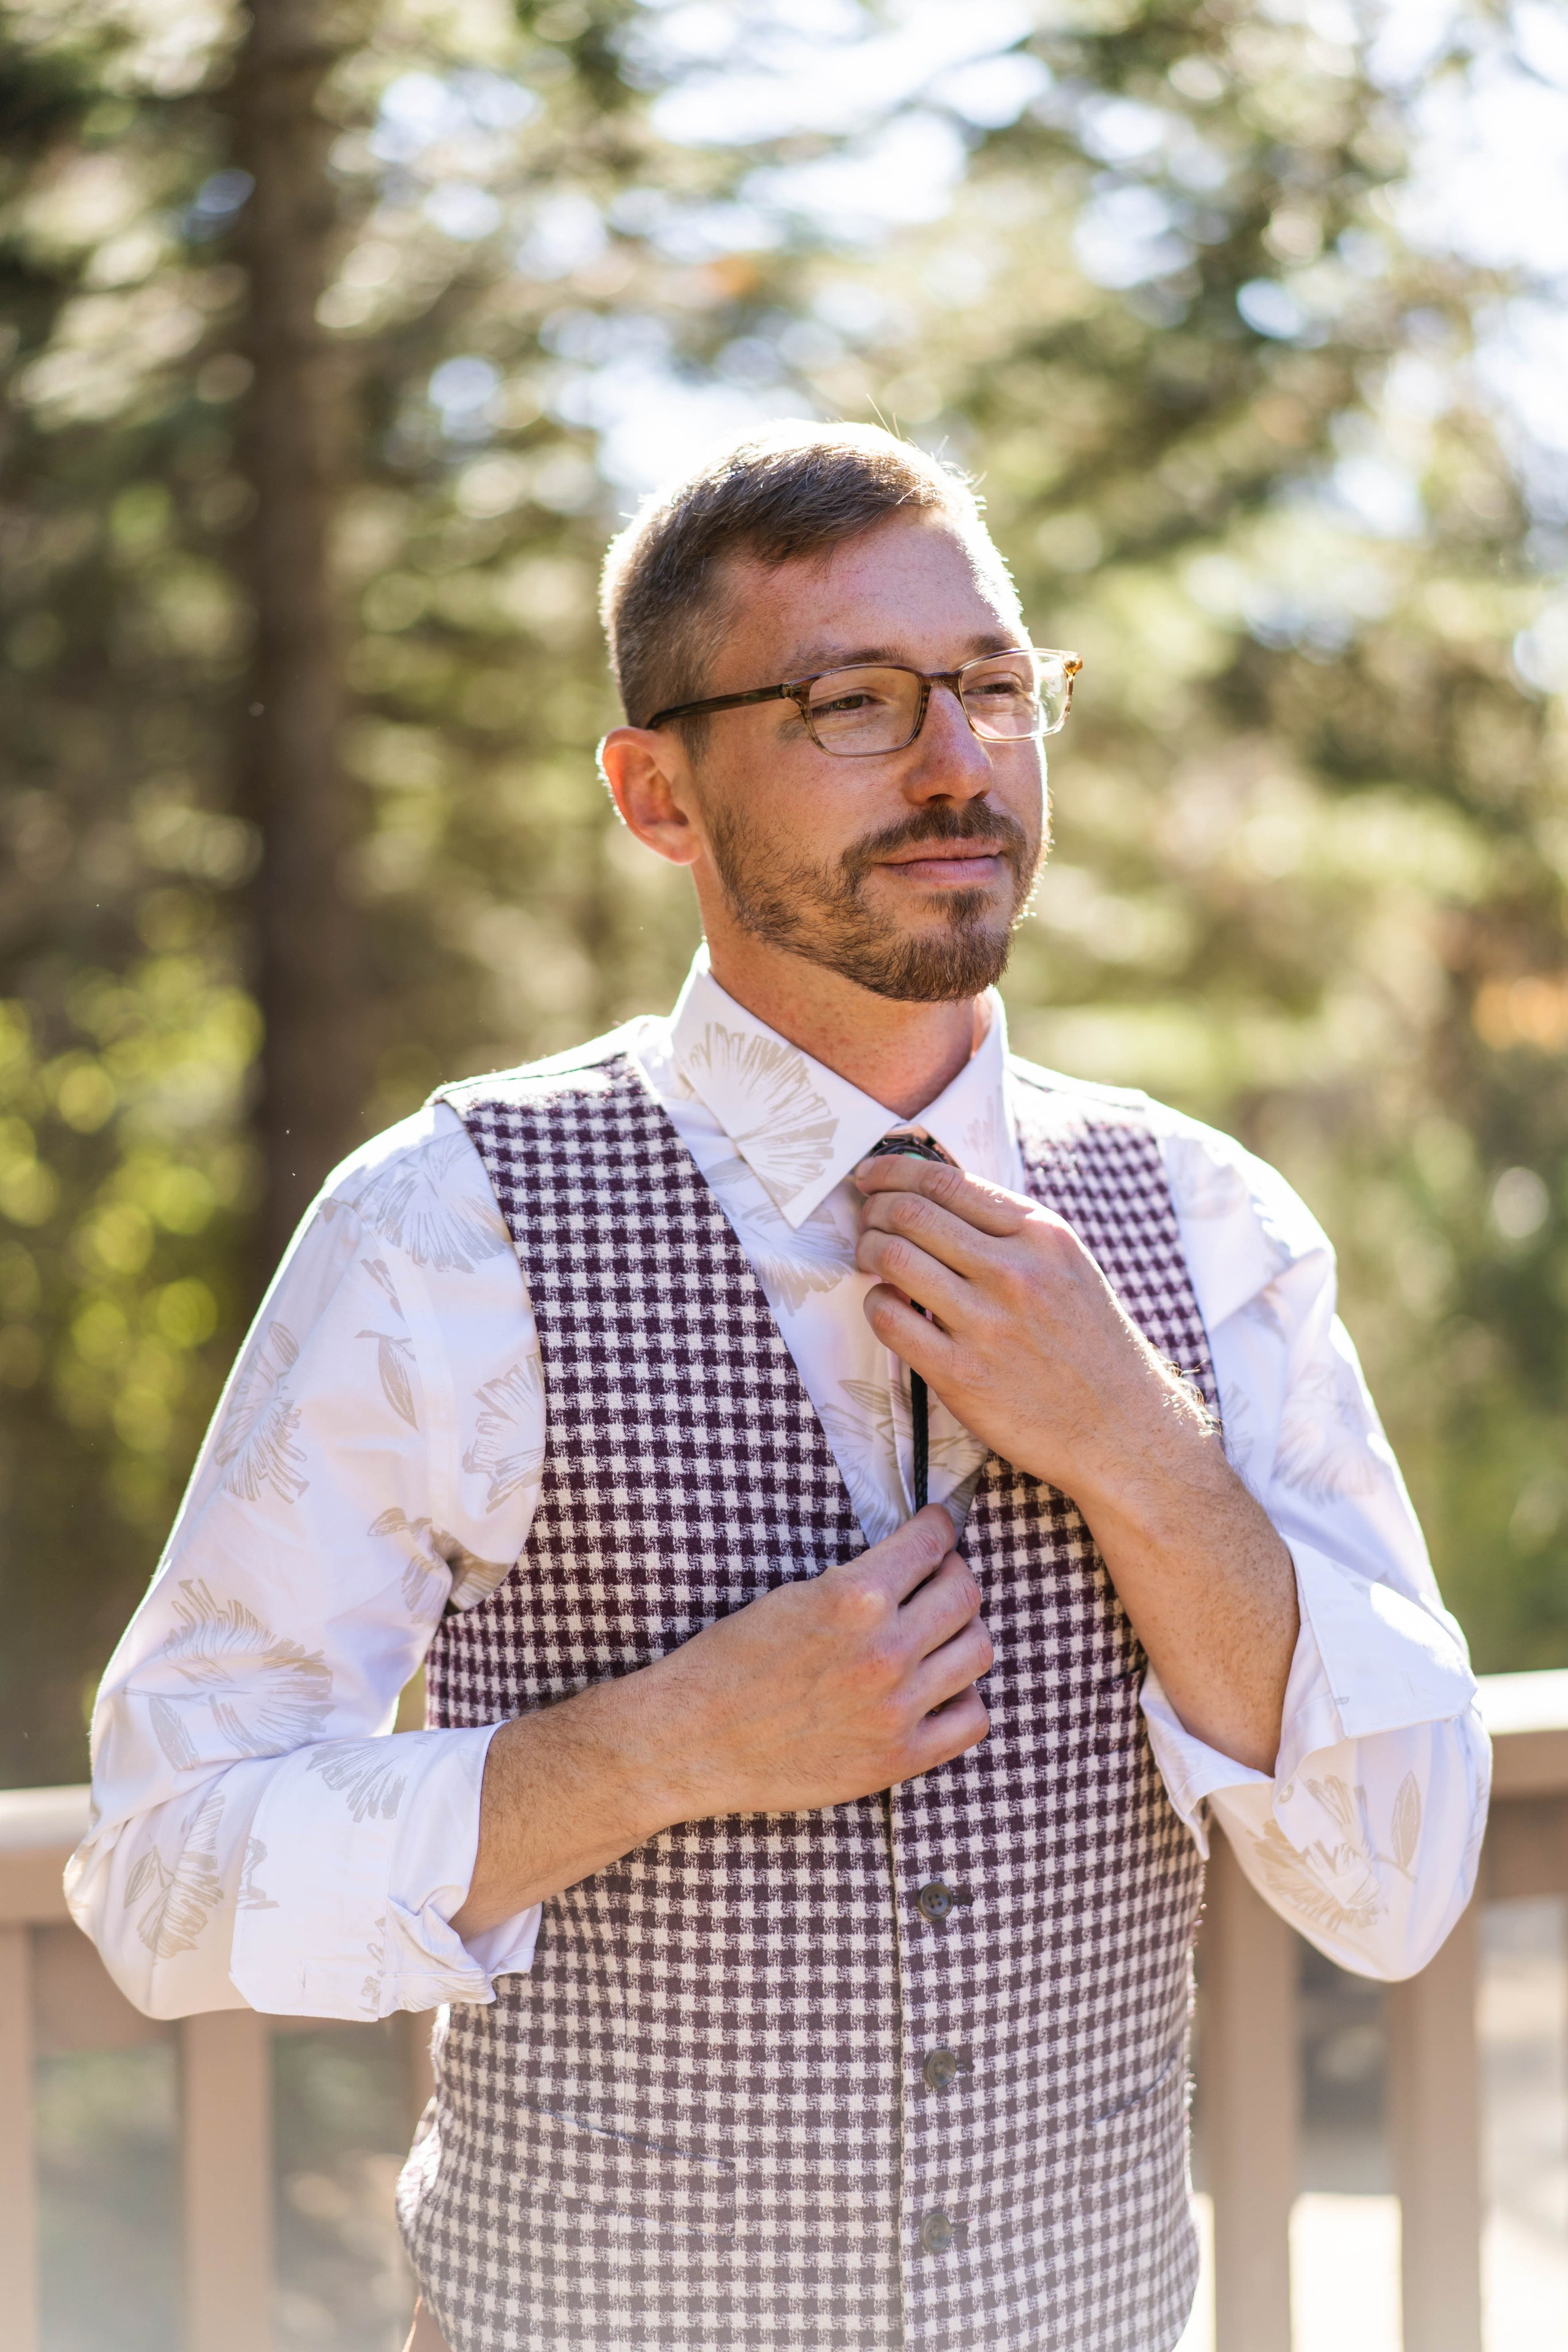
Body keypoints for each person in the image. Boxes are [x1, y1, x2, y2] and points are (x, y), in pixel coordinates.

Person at [70, 423, 1488, 2352]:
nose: (957, 760)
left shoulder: (1210, 1227)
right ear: (656, 795)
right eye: (852, 702)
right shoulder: (441, 1228)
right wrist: (663, 1750)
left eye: (996, 686)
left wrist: (1139, 1452)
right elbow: (160, 1872)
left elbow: (1398, 1882)